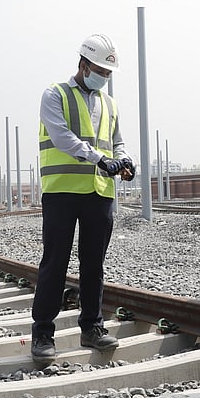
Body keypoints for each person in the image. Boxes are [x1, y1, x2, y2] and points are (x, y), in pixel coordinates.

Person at [30, 34, 135, 361]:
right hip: (62, 191)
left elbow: (117, 142)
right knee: (55, 262)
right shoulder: (54, 95)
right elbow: (62, 138)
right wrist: (100, 159)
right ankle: (43, 334)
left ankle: (92, 328)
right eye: (100, 70)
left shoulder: (110, 104)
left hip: (99, 193)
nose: (104, 77)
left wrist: (125, 160)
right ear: (83, 64)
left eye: (108, 73)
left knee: (94, 265)